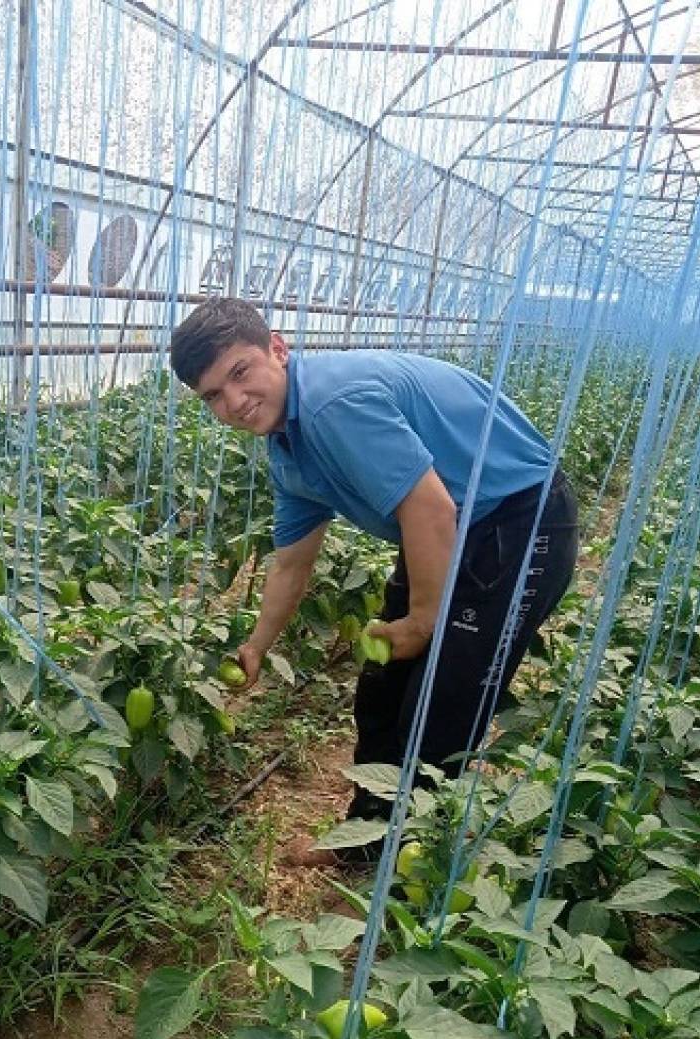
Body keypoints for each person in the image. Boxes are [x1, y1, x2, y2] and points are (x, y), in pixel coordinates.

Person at [169, 297, 578, 855]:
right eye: (213, 395)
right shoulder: (288, 448)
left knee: (444, 703)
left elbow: (431, 508)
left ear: (277, 349)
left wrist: (423, 621)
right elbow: (292, 562)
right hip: (452, 524)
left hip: (520, 520)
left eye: (240, 373)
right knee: (383, 687)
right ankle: (367, 840)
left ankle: (414, 865)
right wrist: (257, 646)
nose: (234, 402)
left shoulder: (332, 404)